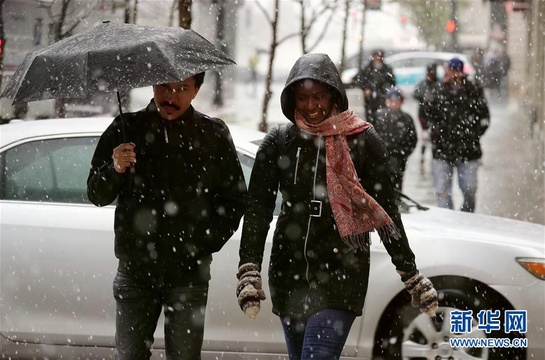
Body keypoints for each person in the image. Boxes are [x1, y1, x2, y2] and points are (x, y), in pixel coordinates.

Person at [235, 53, 438, 360]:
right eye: (302, 98)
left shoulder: (362, 139)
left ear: (333, 96)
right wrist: (249, 268)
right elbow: (258, 209)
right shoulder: (280, 141)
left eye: (318, 96)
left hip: (342, 271)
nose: (311, 106)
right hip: (289, 270)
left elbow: (386, 213)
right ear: (291, 99)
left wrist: (410, 274)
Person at [87, 73, 247, 360]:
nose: (171, 96)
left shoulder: (213, 134)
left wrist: (202, 242)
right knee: (129, 355)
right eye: (164, 86)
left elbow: (234, 200)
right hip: (135, 270)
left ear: (196, 90)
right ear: (152, 84)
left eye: (182, 88)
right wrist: (115, 169)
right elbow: (96, 194)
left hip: (188, 274)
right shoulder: (127, 128)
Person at [425, 58, 490, 213]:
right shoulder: (437, 90)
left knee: (469, 189)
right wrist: (436, 133)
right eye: (447, 69)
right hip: (441, 150)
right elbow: (425, 113)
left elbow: (484, 117)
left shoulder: (473, 90)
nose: (448, 73)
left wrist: (473, 135)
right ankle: (448, 224)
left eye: (452, 70)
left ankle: (466, 218)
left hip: (468, 150)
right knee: (442, 192)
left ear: (460, 72)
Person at [373, 87, 417, 192]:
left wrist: (402, 154)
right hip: (380, 160)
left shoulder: (407, 119)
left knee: (396, 187)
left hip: (398, 160)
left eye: (397, 101)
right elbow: (370, 137)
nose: (394, 103)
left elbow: (413, 140)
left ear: (401, 102)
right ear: (386, 101)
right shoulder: (378, 116)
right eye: (391, 100)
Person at [352, 49, 396, 123]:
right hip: (370, 100)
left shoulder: (387, 70)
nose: (377, 59)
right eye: (376, 57)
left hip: (383, 98)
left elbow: (392, 82)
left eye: (379, 57)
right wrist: (366, 88)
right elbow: (358, 80)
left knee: (383, 118)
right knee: (371, 118)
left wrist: (385, 89)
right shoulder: (366, 69)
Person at [413, 63, 441, 172]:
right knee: (425, 136)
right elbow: (415, 94)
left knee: (435, 135)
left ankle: (434, 154)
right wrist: (423, 96)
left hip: (436, 115)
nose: (431, 75)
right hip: (423, 114)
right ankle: (423, 155)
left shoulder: (439, 84)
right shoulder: (422, 84)